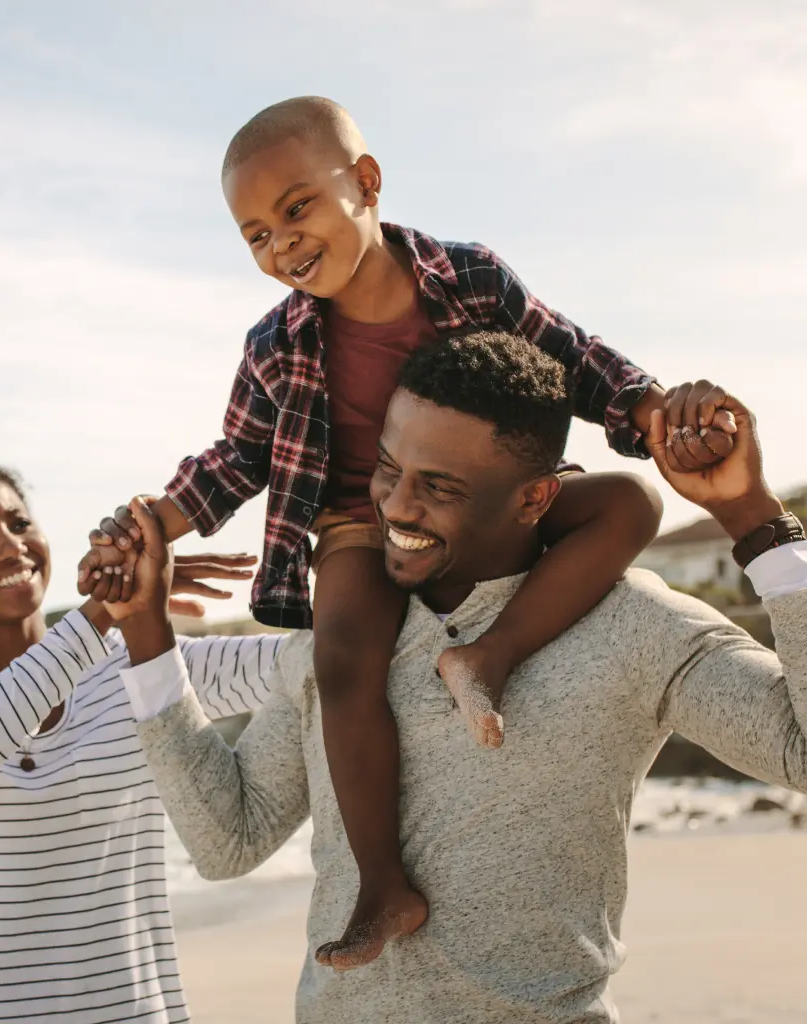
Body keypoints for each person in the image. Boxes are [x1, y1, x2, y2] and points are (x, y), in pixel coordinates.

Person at [78, 96, 737, 969]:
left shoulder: (470, 278)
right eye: (256, 235)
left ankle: (488, 656)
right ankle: (384, 886)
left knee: (630, 505)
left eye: (297, 208)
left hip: (485, 503)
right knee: (342, 658)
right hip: (360, 520)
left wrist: (655, 412)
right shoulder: (275, 343)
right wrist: (150, 524)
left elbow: (575, 357)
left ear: (365, 182)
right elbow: (237, 457)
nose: (282, 245)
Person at [104, 331, 807, 1024]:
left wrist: (751, 516)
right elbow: (228, 842)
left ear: (535, 499)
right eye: (387, 468)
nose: (396, 507)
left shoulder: (633, 625)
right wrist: (146, 633)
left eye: (439, 487)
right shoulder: (340, 641)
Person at [0, 437, 286, 1024]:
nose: (10, 546)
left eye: (19, 523)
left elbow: (305, 668)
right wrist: (102, 610)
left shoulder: (141, 663)